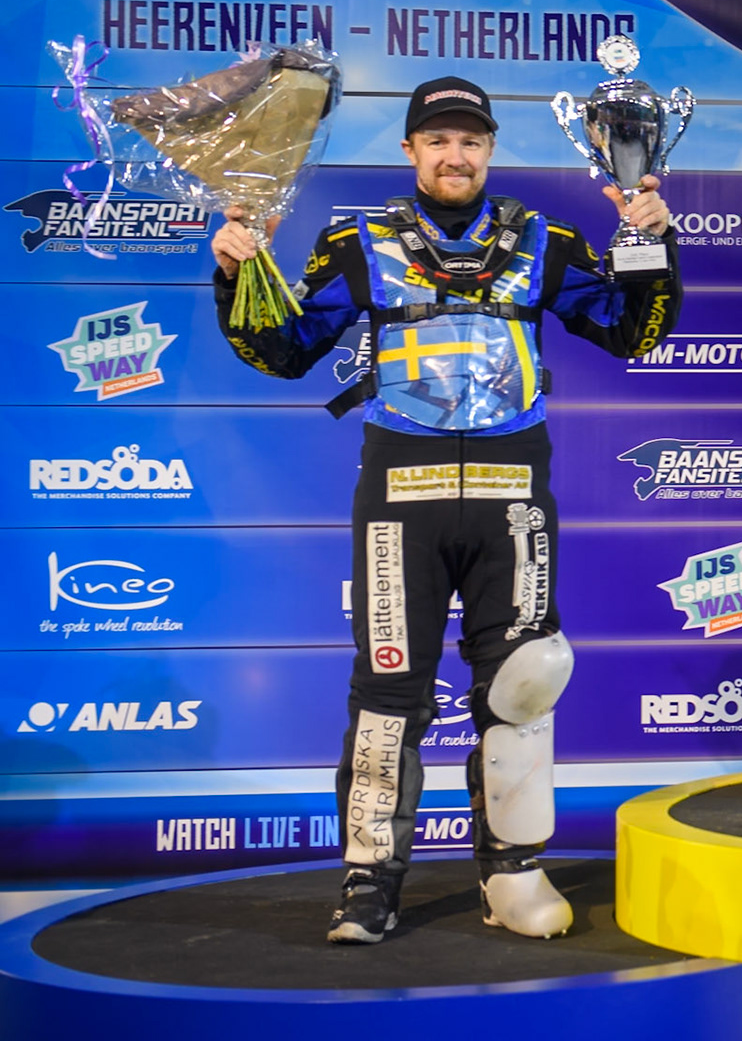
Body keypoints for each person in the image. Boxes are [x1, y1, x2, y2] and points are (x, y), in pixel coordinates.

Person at [211, 76, 681, 943]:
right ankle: (368, 883)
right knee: (389, 691)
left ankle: (513, 873)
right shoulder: (358, 239)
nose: (454, 155)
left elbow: (629, 330)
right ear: (410, 150)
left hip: (511, 495)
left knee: (524, 686)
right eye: (437, 140)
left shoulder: (546, 239)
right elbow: (284, 350)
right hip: (401, 497)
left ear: (490, 151)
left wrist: (654, 244)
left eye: (470, 141)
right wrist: (237, 272)